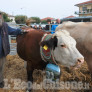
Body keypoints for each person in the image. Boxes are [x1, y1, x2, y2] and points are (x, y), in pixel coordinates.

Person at [0, 12, 27, 88]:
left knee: (1, 67)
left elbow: (12, 31)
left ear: (1, 17)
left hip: (2, 51)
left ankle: (0, 81)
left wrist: (21, 31)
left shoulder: (4, 26)